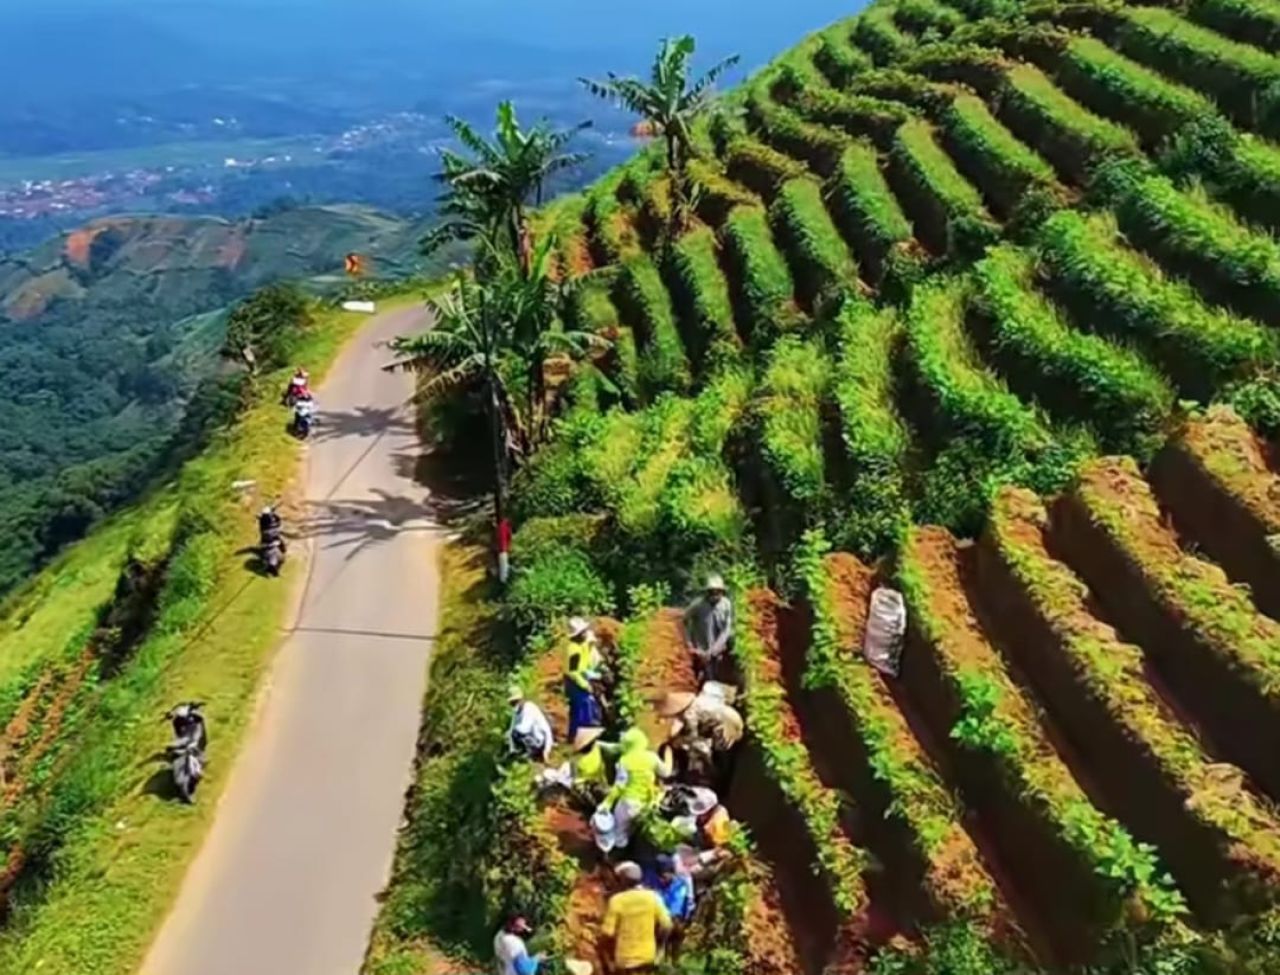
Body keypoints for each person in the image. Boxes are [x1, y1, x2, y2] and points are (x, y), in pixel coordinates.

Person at [599, 728, 672, 850]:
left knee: (619, 832)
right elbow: (666, 772)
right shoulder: (651, 757)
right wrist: (669, 756)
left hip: (628, 803)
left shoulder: (625, 761)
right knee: (635, 828)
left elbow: (619, 786)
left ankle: (617, 855)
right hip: (647, 803)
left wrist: (607, 803)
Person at [658, 684, 744, 785]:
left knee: (707, 755)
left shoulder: (690, 717)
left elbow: (697, 743)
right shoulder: (703, 697)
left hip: (726, 727)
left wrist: (679, 742)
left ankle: (716, 780)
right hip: (732, 716)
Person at [599, 861, 671, 973]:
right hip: (648, 957)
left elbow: (607, 933)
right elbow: (667, 925)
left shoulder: (617, 901)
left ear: (622, 880)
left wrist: (605, 954)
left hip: (625, 960)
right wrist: (660, 949)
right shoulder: (653, 897)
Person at [682, 575, 734, 684]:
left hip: (717, 646)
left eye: (717, 592)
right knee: (699, 672)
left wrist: (717, 647)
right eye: (712, 592)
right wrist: (689, 642)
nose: (714, 595)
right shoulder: (698, 605)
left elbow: (726, 628)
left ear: (722, 592)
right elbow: (685, 620)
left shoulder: (726, 605)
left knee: (715, 673)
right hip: (700, 647)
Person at [645, 854, 693, 960]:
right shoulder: (650, 879)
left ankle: (671, 957)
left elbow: (676, 908)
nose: (665, 879)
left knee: (675, 927)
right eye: (662, 877)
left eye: (668, 876)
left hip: (673, 918)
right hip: (655, 916)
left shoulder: (680, 884)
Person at [564, 618, 605, 739]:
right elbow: (573, 672)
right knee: (585, 708)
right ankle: (584, 737)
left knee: (579, 710)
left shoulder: (582, 645)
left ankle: (575, 736)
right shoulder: (574, 650)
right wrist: (585, 685)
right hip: (575, 683)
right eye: (583, 632)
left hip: (582, 678)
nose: (585, 633)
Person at [571, 727, 621, 802]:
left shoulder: (597, 746)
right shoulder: (576, 760)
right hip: (589, 789)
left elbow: (614, 749)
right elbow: (577, 782)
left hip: (602, 784)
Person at [507, 686, 554, 762]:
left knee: (518, 731)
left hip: (539, 741)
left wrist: (547, 751)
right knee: (513, 733)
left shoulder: (529, 708)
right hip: (529, 739)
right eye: (512, 703)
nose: (514, 704)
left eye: (515, 702)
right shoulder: (516, 712)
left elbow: (525, 729)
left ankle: (530, 754)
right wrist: (511, 749)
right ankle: (522, 753)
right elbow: (511, 730)